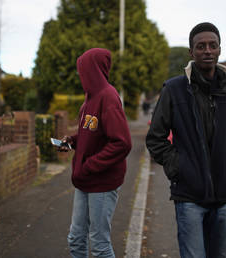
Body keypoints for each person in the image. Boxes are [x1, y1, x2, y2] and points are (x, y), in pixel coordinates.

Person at [145, 22, 226, 258]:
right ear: (191, 53)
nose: (207, 50)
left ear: (220, 49)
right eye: (201, 46)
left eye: (212, 45)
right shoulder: (174, 89)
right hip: (189, 197)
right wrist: (180, 168)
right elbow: (156, 138)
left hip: (223, 198)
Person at [58, 48, 132, 258]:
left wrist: (89, 166)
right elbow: (90, 134)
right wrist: (71, 141)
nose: (81, 75)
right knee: (76, 238)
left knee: (99, 244)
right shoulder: (88, 100)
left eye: (83, 69)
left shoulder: (108, 97)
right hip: (85, 180)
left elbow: (122, 143)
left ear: (93, 70)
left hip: (102, 181)